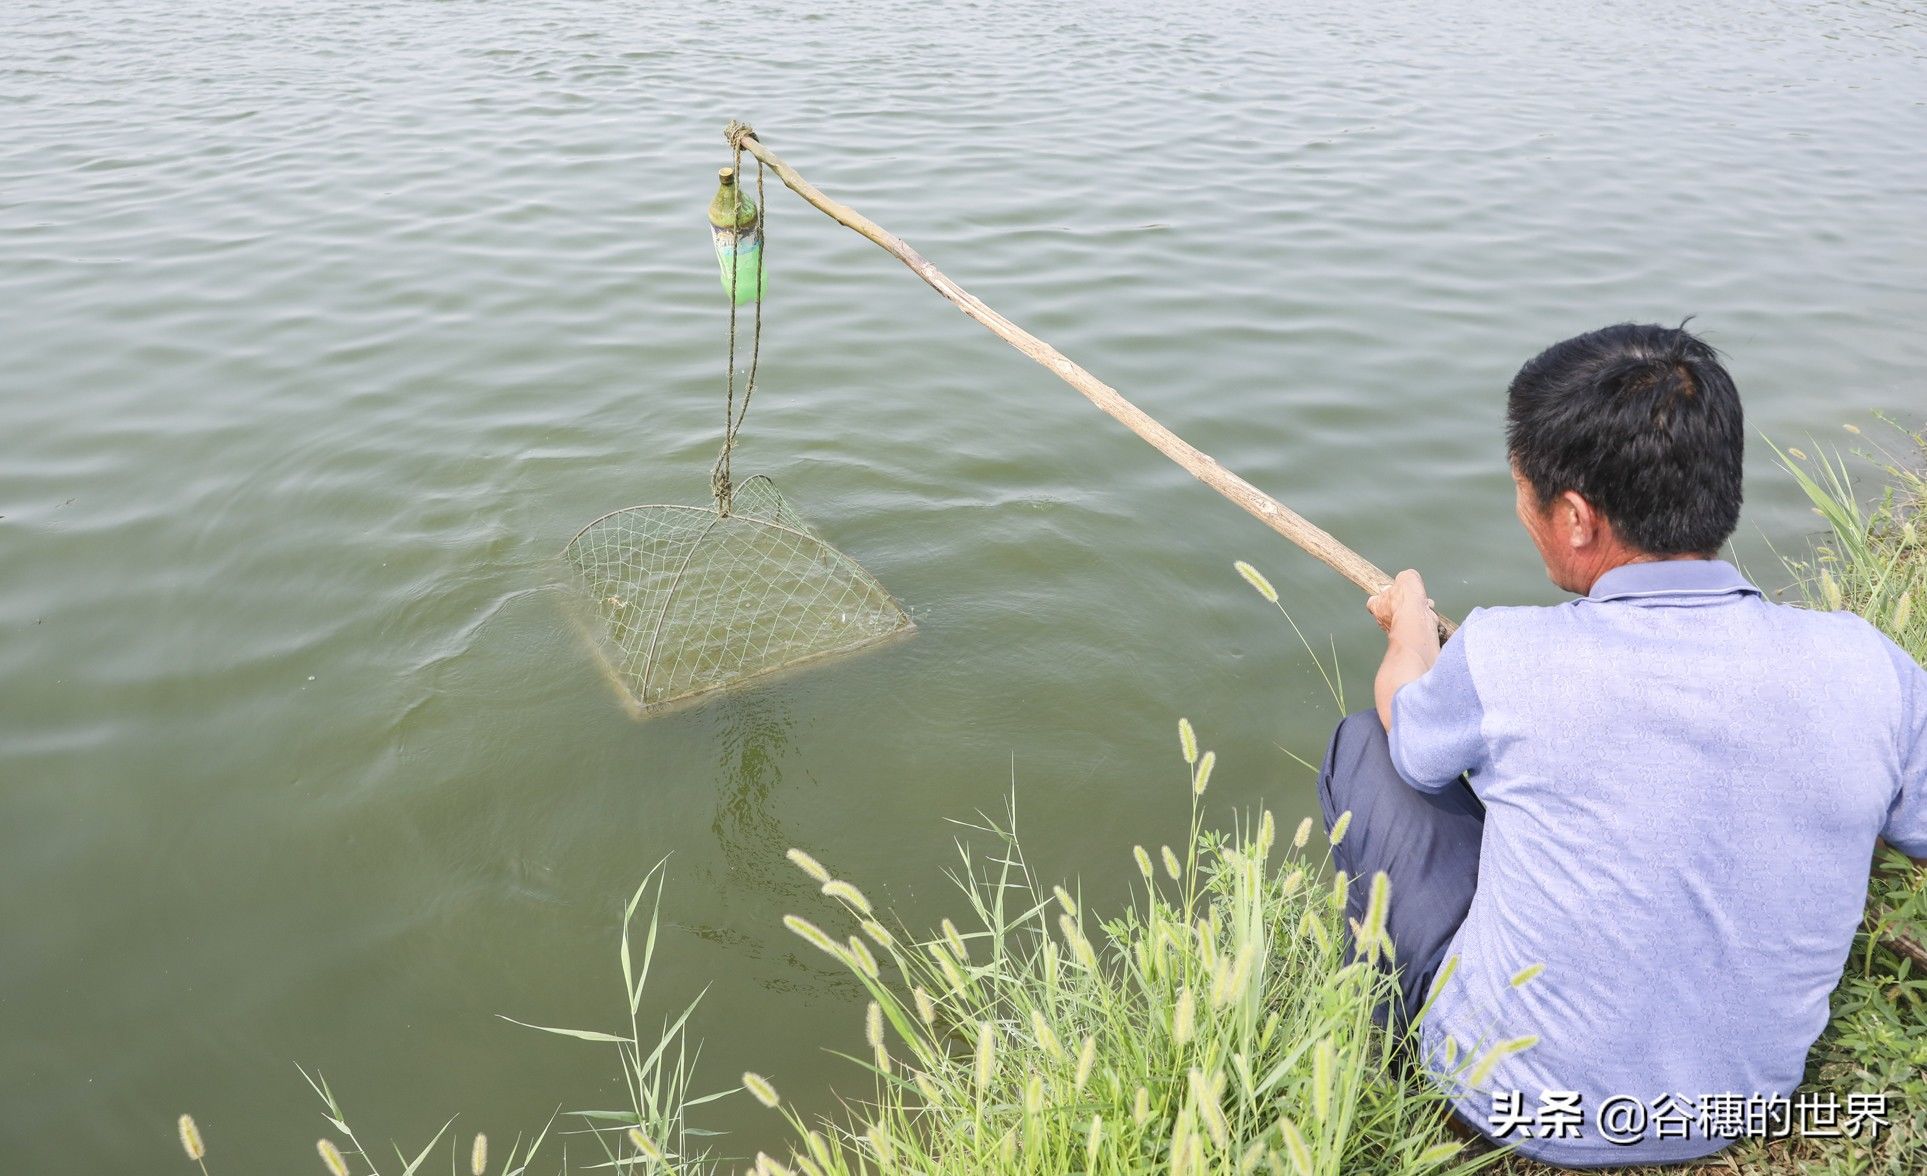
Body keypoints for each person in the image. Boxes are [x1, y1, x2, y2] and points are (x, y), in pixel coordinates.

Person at [1317, 321, 1927, 1168]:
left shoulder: (1502, 651)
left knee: (1365, 750)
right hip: (1738, 1104)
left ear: (1572, 517)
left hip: (1519, 1107)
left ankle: (1393, 1057)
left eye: (1523, 492)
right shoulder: (1868, 666)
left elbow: (1409, 733)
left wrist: (1409, 631)